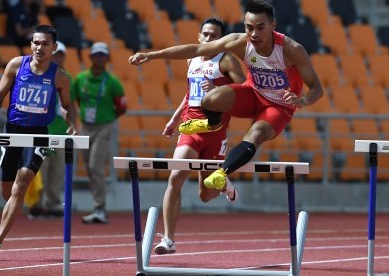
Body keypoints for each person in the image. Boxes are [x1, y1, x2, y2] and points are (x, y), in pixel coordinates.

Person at [129, 0, 323, 199]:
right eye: (249, 28)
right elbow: (196, 50)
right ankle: (212, 123)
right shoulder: (239, 41)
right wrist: (152, 55)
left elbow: (317, 88)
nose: (254, 34)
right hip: (253, 94)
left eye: (260, 28)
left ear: (272, 26)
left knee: (255, 134)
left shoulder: (291, 49)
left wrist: (303, 101)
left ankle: (222, 174)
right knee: (210, 99)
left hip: (278, 105)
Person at [0, 25, 76, 261]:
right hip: (13, 131)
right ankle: (14, 205)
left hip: (39, 134)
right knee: (8, 191)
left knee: (21, 183)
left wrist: (72, 122)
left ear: (54, 48)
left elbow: (67, 106)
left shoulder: (60, 76)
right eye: (36, 43)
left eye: (45, 44)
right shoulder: (16, 65)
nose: (39, 48)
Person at [153, 17, 246, 255]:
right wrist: (175, 119)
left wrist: (217, 92)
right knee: (175, 178)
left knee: (205, 194)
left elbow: (245, 93)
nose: (208, 39)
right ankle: (169, 239)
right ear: (198, 37)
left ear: (222, 40)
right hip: (190, 129)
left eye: (214, 36)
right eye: (205, 34)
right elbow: (189, 93)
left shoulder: (226, 61)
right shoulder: (192, 59)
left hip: (215, 132)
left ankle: (223, 182)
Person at [72, 42, 127, 224]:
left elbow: (121, 107)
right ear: (90, 57)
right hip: (85, 126)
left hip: (104, 127)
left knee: (95, 165)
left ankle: (100, 207)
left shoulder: (112, 82)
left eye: (102, 55)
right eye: (96, 55)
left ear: (107, 59)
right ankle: (98, 207)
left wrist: (108, 118)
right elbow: (74, 100)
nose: (99, 58)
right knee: (88, 166)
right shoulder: (80, 79)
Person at [28, 41, 73, 218]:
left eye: (61, 55)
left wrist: (74, 126)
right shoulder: (40, 75)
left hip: (61, 132)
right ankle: (36, 205)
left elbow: (71, 105)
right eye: (56, 54)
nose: (58, 58)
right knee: (39, 169)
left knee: (57, 171)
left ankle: (54, 204)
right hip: (43, 131)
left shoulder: (67, 78)